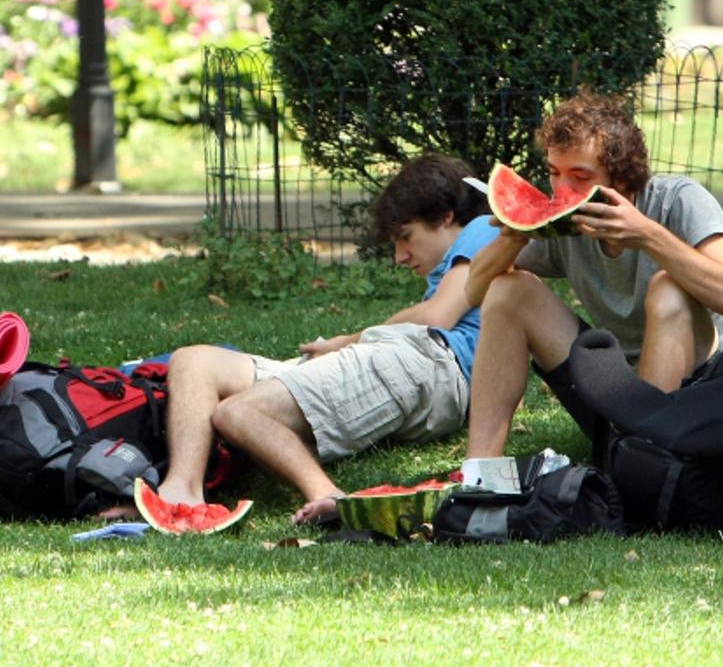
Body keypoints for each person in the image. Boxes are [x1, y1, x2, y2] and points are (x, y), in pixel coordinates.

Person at [153, 154, 499, 525]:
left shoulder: (483, 228)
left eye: (406, 237)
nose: (400, 257)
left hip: (434, 362)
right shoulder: (458, 254)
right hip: (403, 354)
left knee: (237, 411)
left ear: (446, 216)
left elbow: (437, 316)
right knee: (193, 361)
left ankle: (327, 494)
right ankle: (180, 493)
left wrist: (347, 341)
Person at [464, 90, 723, 457]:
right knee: (509, 290)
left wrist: (648, 236)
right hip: (617, 395)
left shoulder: (678, 200)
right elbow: (475, 293)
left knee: (668, 288)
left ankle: (645, 460)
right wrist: (512, 237)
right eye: (555, 174)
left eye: (580, 177)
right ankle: (479, 472)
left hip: (700, 398)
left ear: (622, 176)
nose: (562, 190)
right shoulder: (569, 223)